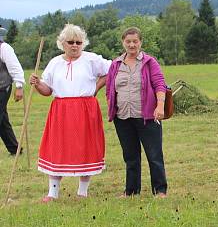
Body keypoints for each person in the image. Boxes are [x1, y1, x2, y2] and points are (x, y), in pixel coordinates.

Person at [29, 24, 111, 202]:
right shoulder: (55, 62)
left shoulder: (92, 59)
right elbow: (47, 90)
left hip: (85, 108)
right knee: (57, 148)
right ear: (62, 43)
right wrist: (36, 84)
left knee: (86, 147)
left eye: (78, 42)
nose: (75, 45)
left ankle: (82, 191)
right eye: (71, 42)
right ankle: (53, 193)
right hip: (61, 110)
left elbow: (110, 71)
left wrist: (96, 87)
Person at [106, 27, 169, 197]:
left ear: (140, 42)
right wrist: (111, 106)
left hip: (147, 116)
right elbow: (110, 89)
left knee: (154, 155)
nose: (132, 45)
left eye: (135, 41)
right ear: (123, 43)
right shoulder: (115, 64)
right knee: (130, 157)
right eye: (128, 41)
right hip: (123, 117)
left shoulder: (149, 62)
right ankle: (131, 191)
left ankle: (160, 191)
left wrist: (160, 105)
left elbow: (159, 84)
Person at [0, 26, 25, 156]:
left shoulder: (4, 48)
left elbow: (15, 67)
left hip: (2, 88)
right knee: (2, 120)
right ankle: (14, 149)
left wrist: (19, 86)